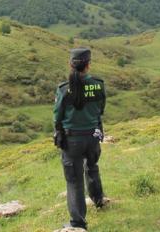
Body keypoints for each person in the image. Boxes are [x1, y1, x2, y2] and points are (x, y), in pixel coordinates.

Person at [53, 47, 106, 230]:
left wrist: (58, 132)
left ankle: (78, 223)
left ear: (71, 65)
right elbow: (101, 109)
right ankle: (98, 200)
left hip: (72, 140)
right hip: (93, 136)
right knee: (92, 167)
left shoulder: (64, 89)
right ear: (88, 64)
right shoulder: (98, 84)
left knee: (74, 181)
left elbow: (57, 116)